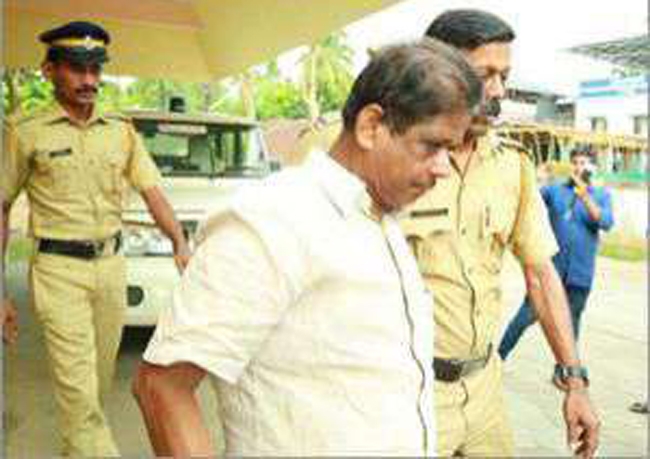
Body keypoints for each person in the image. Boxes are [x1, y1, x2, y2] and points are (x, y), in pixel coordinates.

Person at [132, 39, 482, 457]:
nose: (444, 168)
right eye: (432, 146)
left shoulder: (380, 216)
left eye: (451, 149)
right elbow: (162, 386)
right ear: (371, 126)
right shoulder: (272, 219)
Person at [400, 10, 600, 458]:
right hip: (408, 393)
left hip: (484, 390)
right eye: (483, 76)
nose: (497, 92)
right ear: (434, 73)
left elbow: (540, 275)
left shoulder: (512, 165)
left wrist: (575, 380)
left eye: (503, 77)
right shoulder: (394, 159)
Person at [1, 21, 191, 456]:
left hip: (111, 269)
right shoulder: (25, 131)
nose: (89, 80)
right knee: (80, 394)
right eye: (76, 68)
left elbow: (152, 191)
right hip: (58, 272)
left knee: (94, 391)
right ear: (49, 70)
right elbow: (3, 205)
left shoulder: (120, 129)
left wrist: (180, 243)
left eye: (95, 69)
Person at [499, 149, 614, 370]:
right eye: (575, 163)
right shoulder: (555, 191)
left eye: (584, 163)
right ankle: (499, 358)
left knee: (571, 324)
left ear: (592, 167)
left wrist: (585, 196)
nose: (579, 167)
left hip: (580, 273)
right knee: (526, 315)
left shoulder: (601, 195)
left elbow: (606, 222)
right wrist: (536, 177)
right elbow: (528, 201)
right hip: (551, 272)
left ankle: (564, 370)